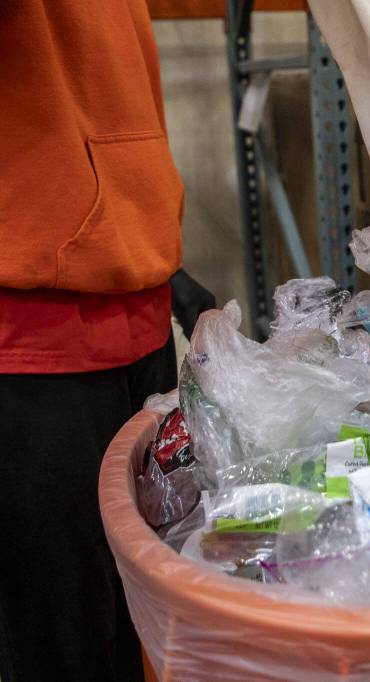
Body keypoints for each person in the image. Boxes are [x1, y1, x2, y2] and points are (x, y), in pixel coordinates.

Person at [0, 2, 183, 679]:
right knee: (61, 647)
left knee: (136, 635)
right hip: (28, 342)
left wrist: (146, 231)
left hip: (131, 298)